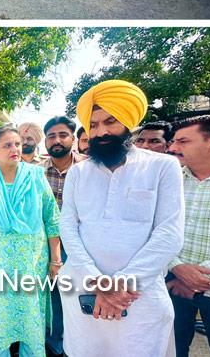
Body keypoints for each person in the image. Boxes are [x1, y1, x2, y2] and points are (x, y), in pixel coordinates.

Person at [59, 79, 183, 357]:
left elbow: (169, 234)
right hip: (84, 290)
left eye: (110, 121)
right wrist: (97, 281)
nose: (100, 131)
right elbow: (68, 226)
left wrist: (123, 284)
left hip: (139, 295)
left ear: (129, 123)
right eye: (93, 125)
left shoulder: (163, 167)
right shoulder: (78, 173)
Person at [0, 125, 61, 357]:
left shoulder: (36, 176)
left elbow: (52, 219)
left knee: (31, 321)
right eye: (7, 145)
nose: (14, 149)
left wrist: (56, 260)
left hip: (32, 263)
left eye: (17, 144)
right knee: (1, 324)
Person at [165, 115, 210, 356]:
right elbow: (155, 229)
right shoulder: (170, 179)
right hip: (173, 286)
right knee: (172, 349)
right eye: (174, 141)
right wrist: (178, 268)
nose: (173, 148)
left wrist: (200, 279)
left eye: (183, 141)